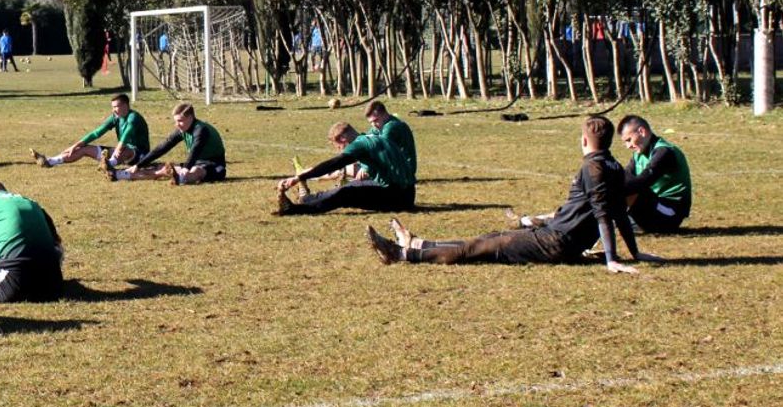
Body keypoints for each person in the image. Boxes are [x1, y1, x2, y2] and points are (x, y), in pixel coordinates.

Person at [366, 116, 652, 274]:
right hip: (556, 236)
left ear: (585, 140)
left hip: (556, 242)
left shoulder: (593, 168)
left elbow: (604, 214)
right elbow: (618, 213)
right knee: (490, 239)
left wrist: (611, 259)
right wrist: (635, 252)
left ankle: (401, 253)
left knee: (482, 247)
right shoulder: (614, 167)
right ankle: (418, 243)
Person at [508, 114, 691, 234]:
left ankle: (562, 222)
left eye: (629, 140)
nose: (628, 146)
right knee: (604, 193)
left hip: (669, 214)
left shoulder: (664, 152)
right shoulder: (640, 154)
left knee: (627, 192)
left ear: (641, 131)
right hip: (651, 211)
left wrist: (604, 192)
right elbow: (624, 177)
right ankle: (544, 219)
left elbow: (641, 183)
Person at [275, 122, 415, 215]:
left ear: (342, 139)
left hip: (398, 199)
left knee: (346, 194)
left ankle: (295, 210)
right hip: (406, 192)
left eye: (339, 147)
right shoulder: (371, 138)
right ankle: (308, 199)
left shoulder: (359, 145)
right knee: (351, 185)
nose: (340, 150)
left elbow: (334, 164)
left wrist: (300, 177)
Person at [106, 102, 225, 185]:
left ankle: (182, 178)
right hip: (195, 162)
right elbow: (162, 147)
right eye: (175, 121)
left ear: (190, 117)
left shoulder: (201, 129)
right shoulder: (182, 129)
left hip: (214, 165)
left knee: (196, 171)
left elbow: (195, 150)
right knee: (163, 168)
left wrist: (186, 168)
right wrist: (138, 165)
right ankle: (120, 174)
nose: (177, 125)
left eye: (180, 121)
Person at [31, 94, 150, 170]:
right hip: (120, 152)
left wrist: (118, 149)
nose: (113, 110)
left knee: (123, 149)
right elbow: (96, 133)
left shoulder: (133, 117)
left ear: (126, 105)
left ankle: (109, 164)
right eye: (112, 107)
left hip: (140, 155)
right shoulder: (115, 117)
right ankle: (50, 161)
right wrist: (75, 145)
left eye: (116, 106)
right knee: (84, 149)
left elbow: (126, 135)